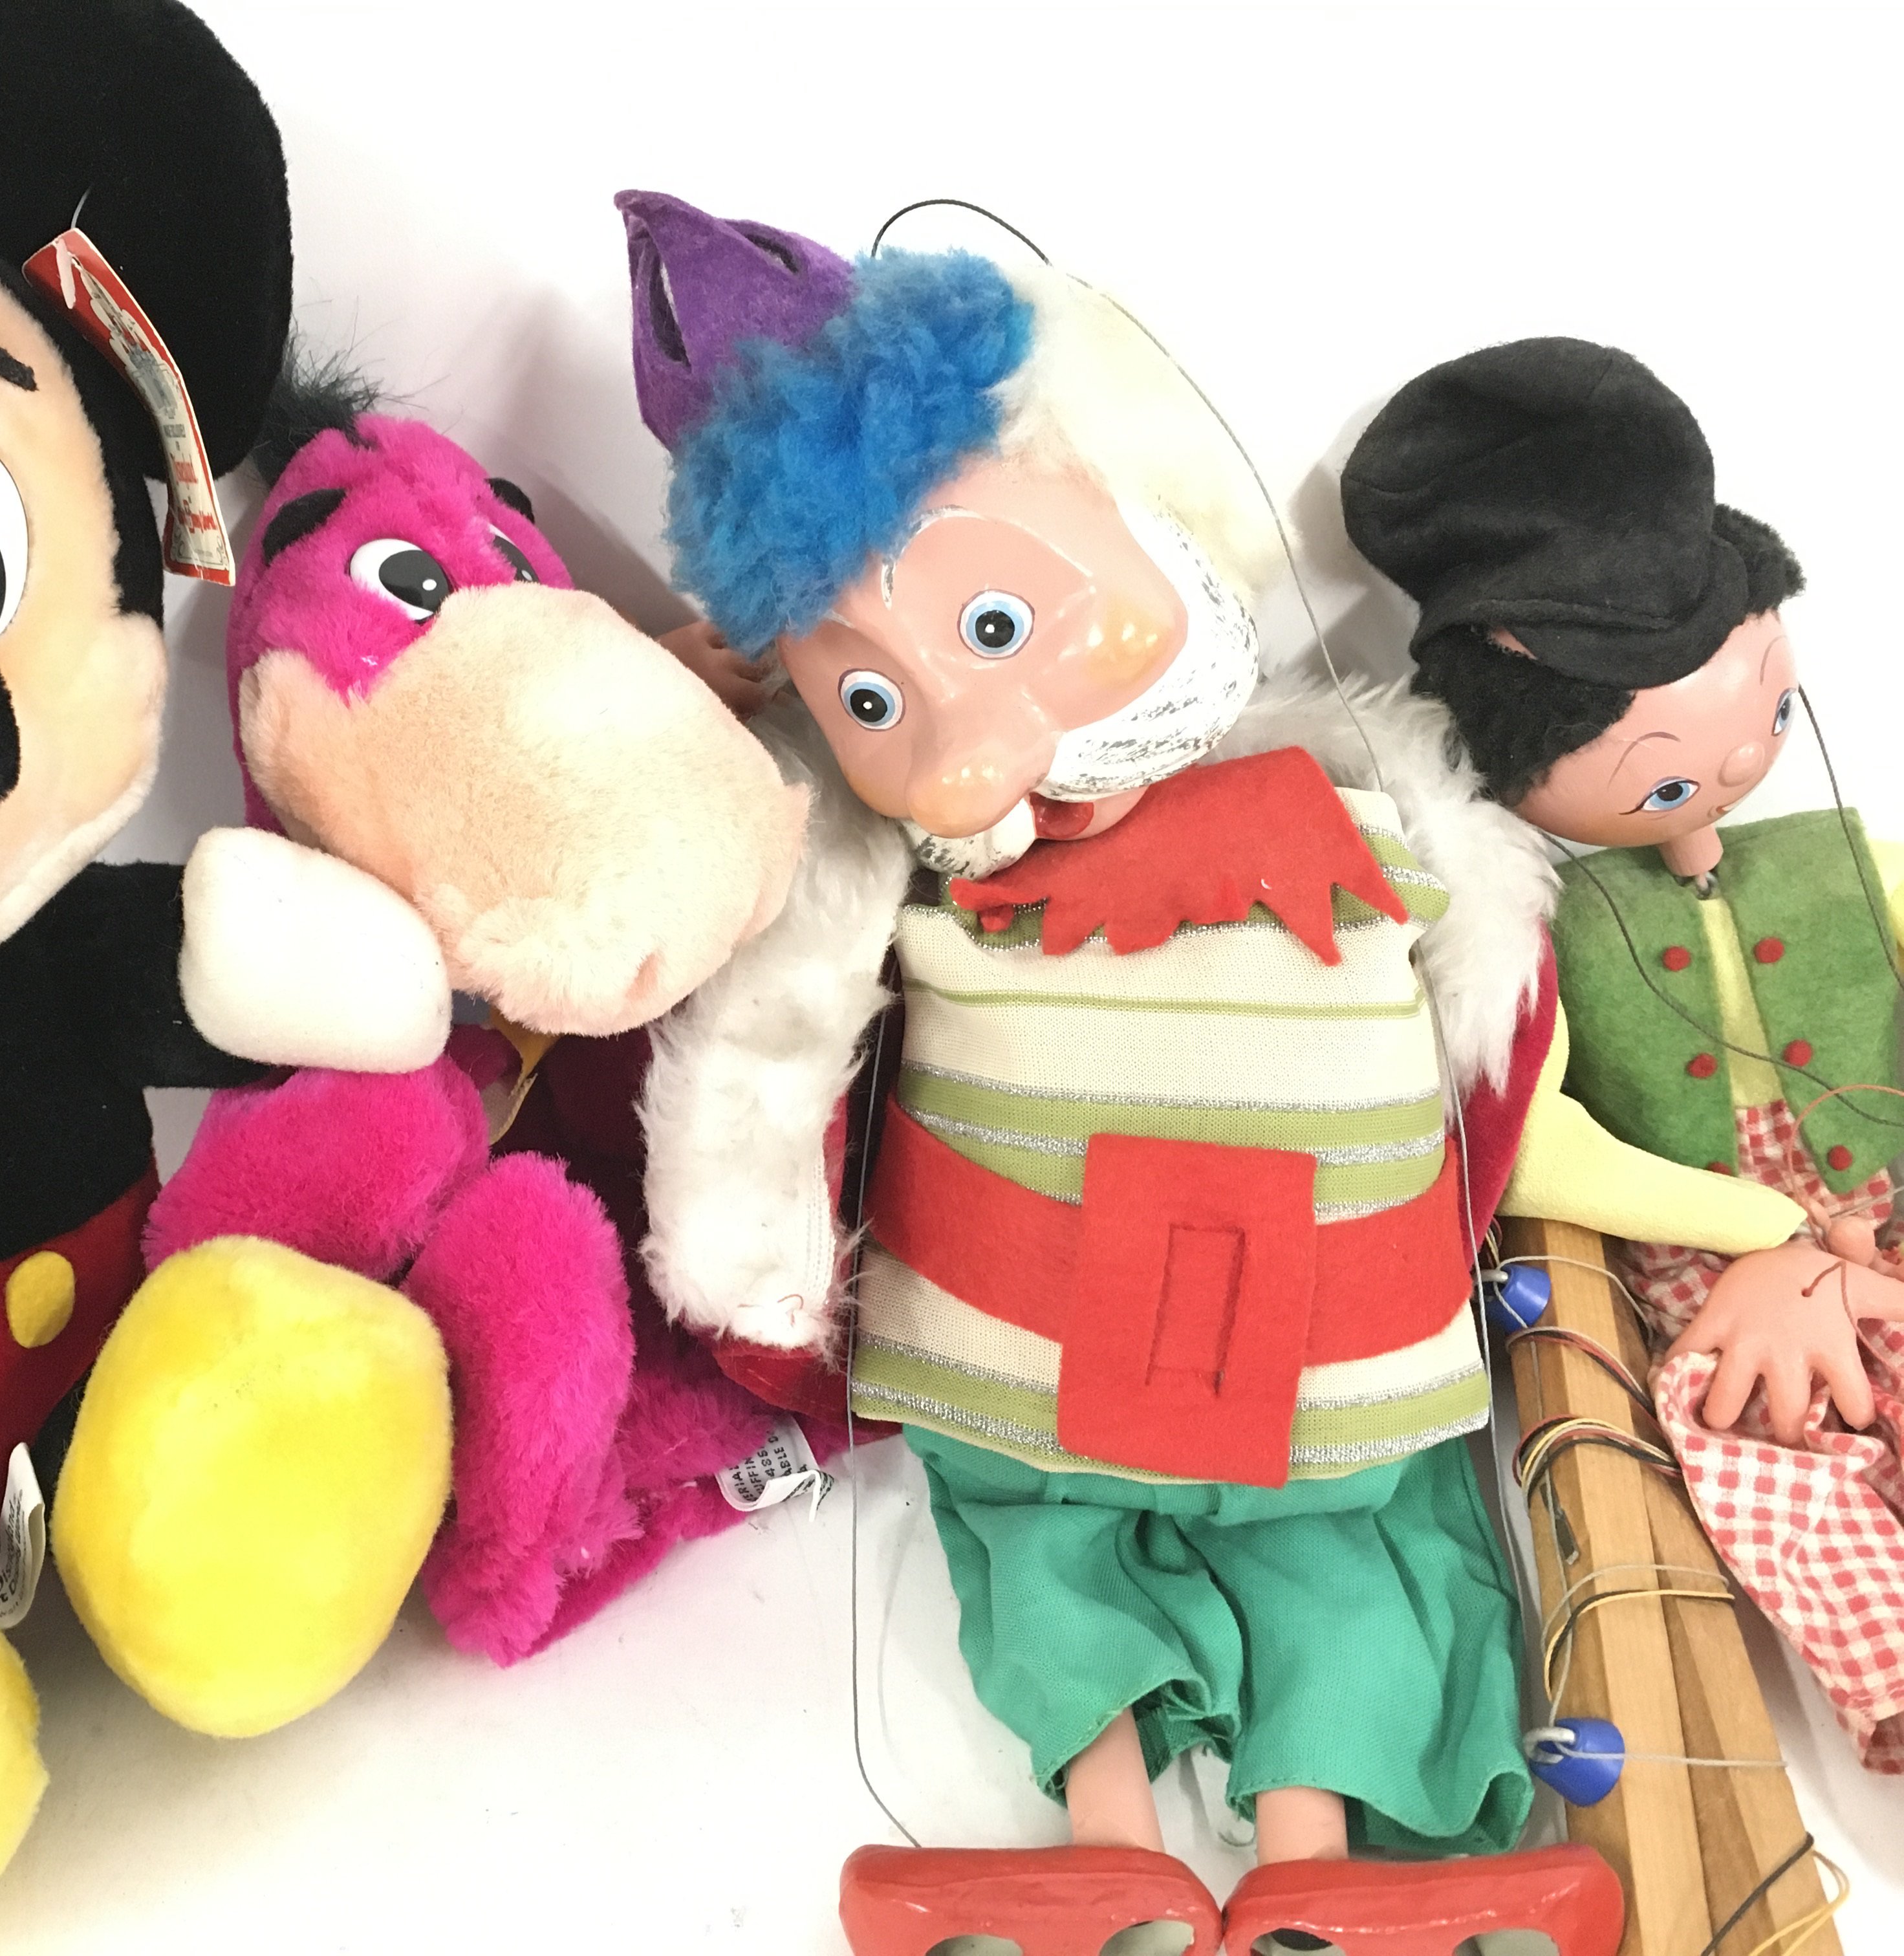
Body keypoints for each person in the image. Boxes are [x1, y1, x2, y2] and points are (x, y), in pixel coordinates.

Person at [620, 191, 1621, 1956]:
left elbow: (1493, 984)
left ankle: (1312, 1865)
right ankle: (1104, 1852)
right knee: (1043, 1533)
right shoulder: (903, 870)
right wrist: (759, 1249)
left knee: (1343, 1534)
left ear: (1142, 503)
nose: (963, 753)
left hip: (1322, 1340)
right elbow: (777, 1034)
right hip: (1029, 1339)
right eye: (872, 705)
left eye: (998, 630)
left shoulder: (1360, 785)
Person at [1346, 338, 1904, 1774]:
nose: (1734, 778)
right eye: (1663, 774)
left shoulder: (1857, 857)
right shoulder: (1540, 933)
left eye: (1768, 712)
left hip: (1889, 1208)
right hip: (1707, 1252)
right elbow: (1538, 1146)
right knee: (1755, 1431)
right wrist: (1771, 1235)